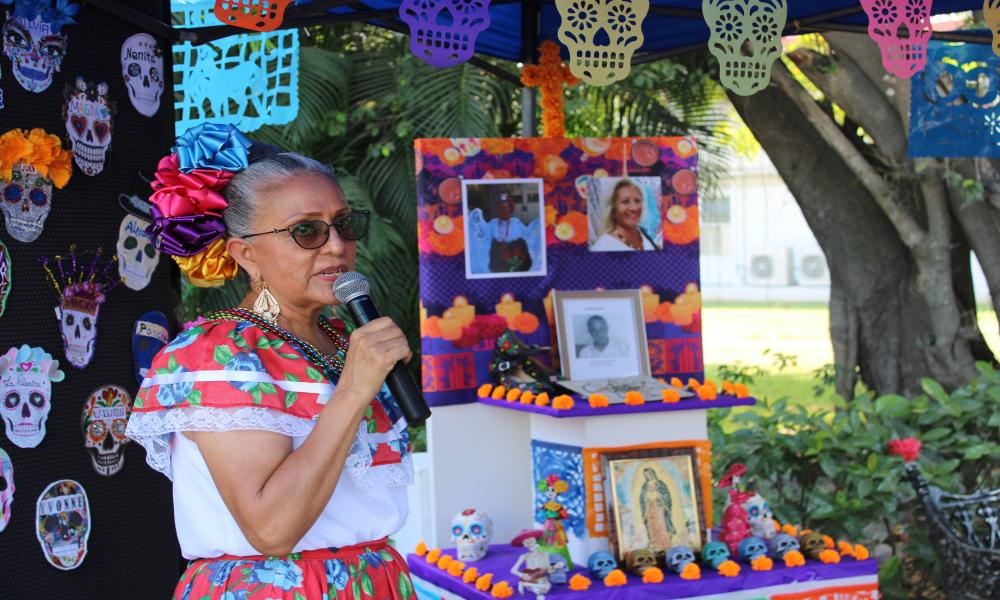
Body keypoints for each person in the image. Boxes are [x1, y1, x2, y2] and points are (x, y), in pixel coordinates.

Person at [126, 133, 415, 599]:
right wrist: (353, 391)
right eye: (307, 230)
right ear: (247, 255)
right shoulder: (216, 355)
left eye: (344, 223)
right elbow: (272, 529)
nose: (337, 246)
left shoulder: (341, 342)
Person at [591, 179, 660, 252]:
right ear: (613, 209)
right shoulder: (602, 247)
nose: (634, 208)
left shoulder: (640, 231)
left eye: (637, 201)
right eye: (625, 202)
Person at [639, 466, 676, 552]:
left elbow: (666, 495)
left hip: (658, 507)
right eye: (645, 475)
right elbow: (641, 498)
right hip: (649, 508)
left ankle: (664, 544)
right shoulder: (644, 486)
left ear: (652, 474)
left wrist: (657, 495)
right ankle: (654, 543)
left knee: (660, 524)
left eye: (648, 474)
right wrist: (646, 496)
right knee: (651, 525)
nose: (647, 476)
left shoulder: (660, 484)